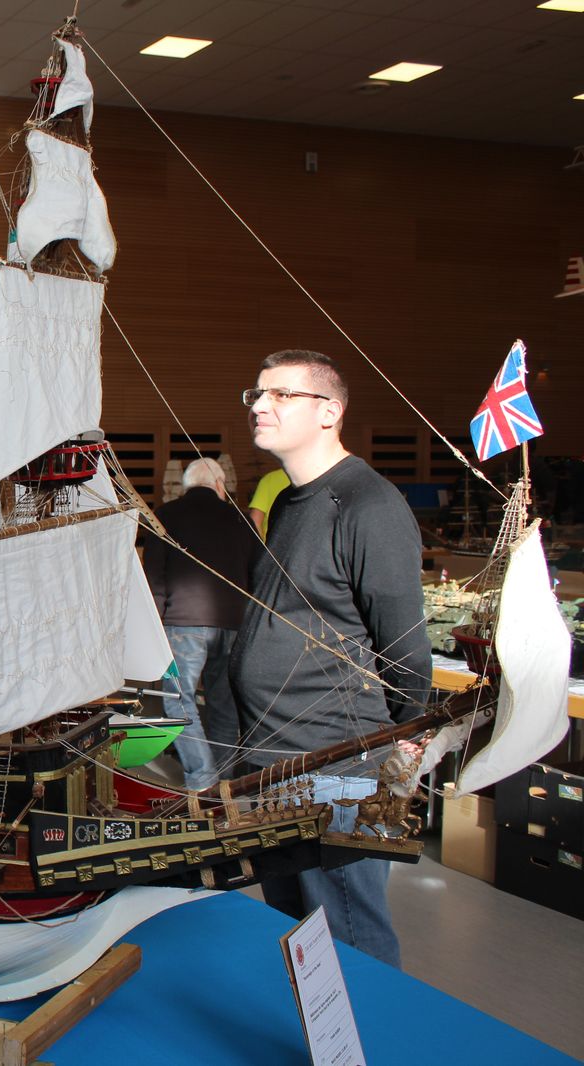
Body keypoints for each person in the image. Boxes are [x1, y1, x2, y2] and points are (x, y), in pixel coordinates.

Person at [228, 350, 430, 968]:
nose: (260, 406)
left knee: (349, 937)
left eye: (281, 394)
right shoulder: (292, 502)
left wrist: (393, 741)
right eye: (257, 394)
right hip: (275, 758)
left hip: (340, 761)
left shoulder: (369, 505)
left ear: (329, 411)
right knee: (297, 937)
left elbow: (405, 647)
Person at [140, 457, 259, 791]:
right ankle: (225, 783)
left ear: (186, 485)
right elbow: (258, 574)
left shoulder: (166, 515)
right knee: (224, 704)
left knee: (178, 700)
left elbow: (155, 575)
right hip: (233, 624)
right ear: (220, 484)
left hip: (182, 624)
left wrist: (156, 623)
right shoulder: (241, 520)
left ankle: (202, 778)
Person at [246, 467, 289, 539]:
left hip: (272, 544)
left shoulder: (270, 479)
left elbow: (255, 522)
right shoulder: (310, 477)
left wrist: (262, 545)